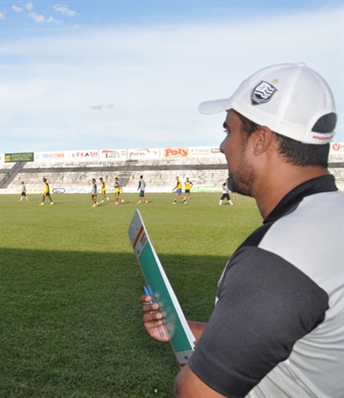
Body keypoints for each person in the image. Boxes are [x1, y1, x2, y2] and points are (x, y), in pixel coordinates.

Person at [140, 63, 343, 397]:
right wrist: (183, 328)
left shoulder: (278, 256)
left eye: (228, 131)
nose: (223, 146)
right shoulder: (333, 214)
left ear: (260, 140)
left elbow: (194, 392)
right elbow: (291, 335)